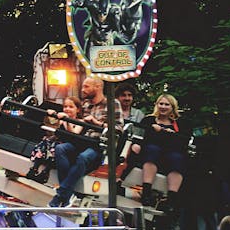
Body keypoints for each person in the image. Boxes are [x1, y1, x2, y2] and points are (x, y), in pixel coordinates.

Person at [49, 77, 121, 208]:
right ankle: (66, 194)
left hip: (98, 144)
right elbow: (77, 121)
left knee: (83, 157)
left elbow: (118, 129)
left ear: (98, 86)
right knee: (61, 149)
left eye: (86, 86)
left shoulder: (112, 103)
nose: (83, 90)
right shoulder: (86, 104)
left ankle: (61, 195)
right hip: (81, 141)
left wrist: (96, 123)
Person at [137, 93, 189, 209]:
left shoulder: (179, 125)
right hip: (151, 153)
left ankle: (171, 199)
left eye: (167, 104)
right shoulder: (149, 120)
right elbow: (141, 136)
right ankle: (146, 192)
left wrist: (167, 133)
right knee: (152, 150)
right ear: (156, 105)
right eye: (161, 104)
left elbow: (182, 142)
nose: (163, 107)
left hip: (170, 155)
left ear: (172, 107)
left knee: (178, 158)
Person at [26, 96, 81, 183]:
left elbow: (73, 133)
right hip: (57, 142)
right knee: (47, 142)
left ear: (77, 109)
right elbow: (52, 127)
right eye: (65, 106)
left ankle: (46, 172)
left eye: (71, 107)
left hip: (68, 146)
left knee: (56, 148)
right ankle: (34, 168)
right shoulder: (62, 120)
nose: (67, 109)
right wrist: (51, 114)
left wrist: (67, 120)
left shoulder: (80, 122)